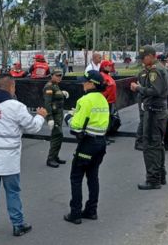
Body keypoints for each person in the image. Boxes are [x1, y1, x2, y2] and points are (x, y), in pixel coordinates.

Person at [0, 74, 47, 237]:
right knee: (12, 192)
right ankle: (18, 225)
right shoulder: (16, 106)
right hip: (9, 159)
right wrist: (40, 116)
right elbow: (33, 127)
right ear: (11, 87)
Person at [63, 70, 109, 224]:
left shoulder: (85, 100)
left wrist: (68, 117)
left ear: (91, 83)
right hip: (101, 143)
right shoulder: (102, 99)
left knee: (76, 178)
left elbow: (76, 127)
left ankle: (75, 213)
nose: (82, 83)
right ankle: (91, 210)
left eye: (85, 81)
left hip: (88, 143)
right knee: (93, 177)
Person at [131, 46, 168, 190]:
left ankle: (153, 179)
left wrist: (138, 88)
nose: (141, 60)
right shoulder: (157, 68)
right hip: (157, 111)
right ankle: (160, 175)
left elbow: (155, 91)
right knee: (157, 144)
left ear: (151, 56)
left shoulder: (155, 70)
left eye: (143, 57)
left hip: (154, 111)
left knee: (150, 145)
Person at [44, 68, 68, 168]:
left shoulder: (55, 86)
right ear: (52, 75)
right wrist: (49, 118)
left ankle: (55, 156)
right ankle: (50, 159)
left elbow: (55, 96)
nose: (59, 77)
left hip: (58, 115)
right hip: (54, 115)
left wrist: (62, 93)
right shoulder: (49, 87)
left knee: (58, 136)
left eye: (60, 75)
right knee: (57, 136)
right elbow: (47, 103)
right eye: (57, 75)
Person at [100, 60, 118, 144]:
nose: (110, 67)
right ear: (104, 67)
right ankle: (103, 138)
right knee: (104, 120)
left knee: (108, 120)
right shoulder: (102, 76)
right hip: (105, 101)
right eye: (109, 66)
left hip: (110, 101)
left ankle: (105, 136)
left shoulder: (107, 75)